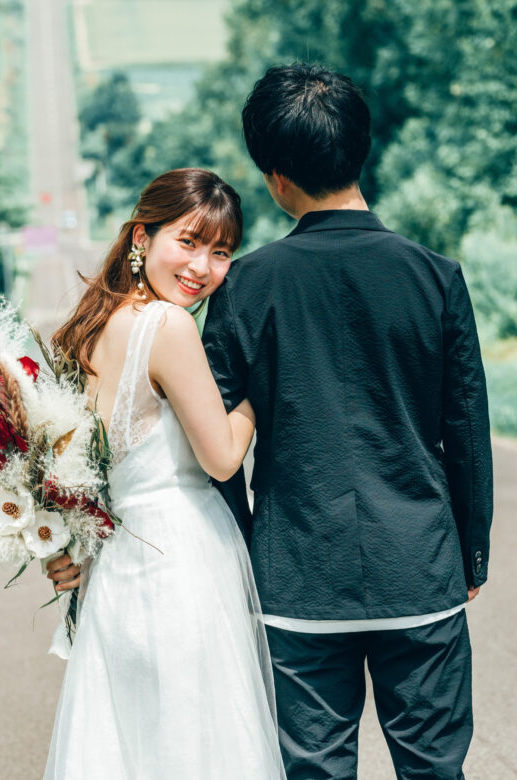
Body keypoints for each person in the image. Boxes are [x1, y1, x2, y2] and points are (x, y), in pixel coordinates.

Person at [201, 63, 493, 779]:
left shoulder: (244, 285)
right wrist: (470, 553)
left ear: (274, 175)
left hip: (294, 579)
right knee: (434, 769)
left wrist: (244, 555)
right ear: (363, 150)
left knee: (314, 771)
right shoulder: (436, 276)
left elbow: (209, 443)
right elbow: (467, 430)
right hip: (419, 570)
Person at [43, 168, 285, 779]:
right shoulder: (168, 327)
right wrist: (261, 389)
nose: (202, 266)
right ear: (142, 237)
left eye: (221, 251)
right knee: (195, 747)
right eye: (190, 240)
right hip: (179, 565)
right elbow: (223, 458)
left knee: (129, 745)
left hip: (118, 573)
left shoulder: (89, 328)